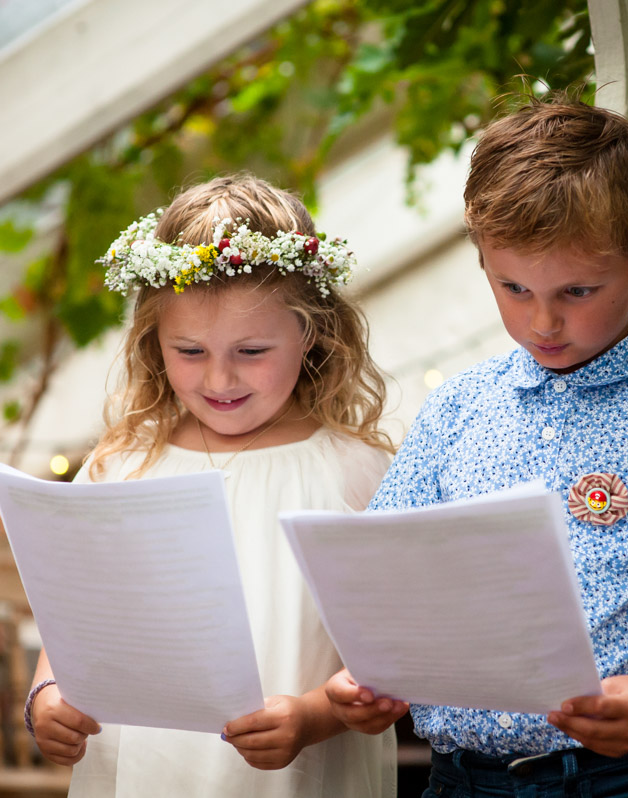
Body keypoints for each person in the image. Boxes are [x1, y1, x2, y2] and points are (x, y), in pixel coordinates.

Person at [325, 96, 628, 797]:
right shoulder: (456, 408)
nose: (542, 320)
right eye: (513, 286)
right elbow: (391, 580)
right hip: (459, 781)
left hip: (627, 778)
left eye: (577, 290)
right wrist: (370, 676)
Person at [24, 174, 397, 797]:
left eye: (251, 350)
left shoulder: (355, 472)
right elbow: (74, 616)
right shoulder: (120, 467)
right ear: (154, 341)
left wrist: (313, 718)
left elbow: (394, 659)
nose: (219, 377)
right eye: (190, 350)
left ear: (310, 333)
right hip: (138, 771)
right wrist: (47, 693)